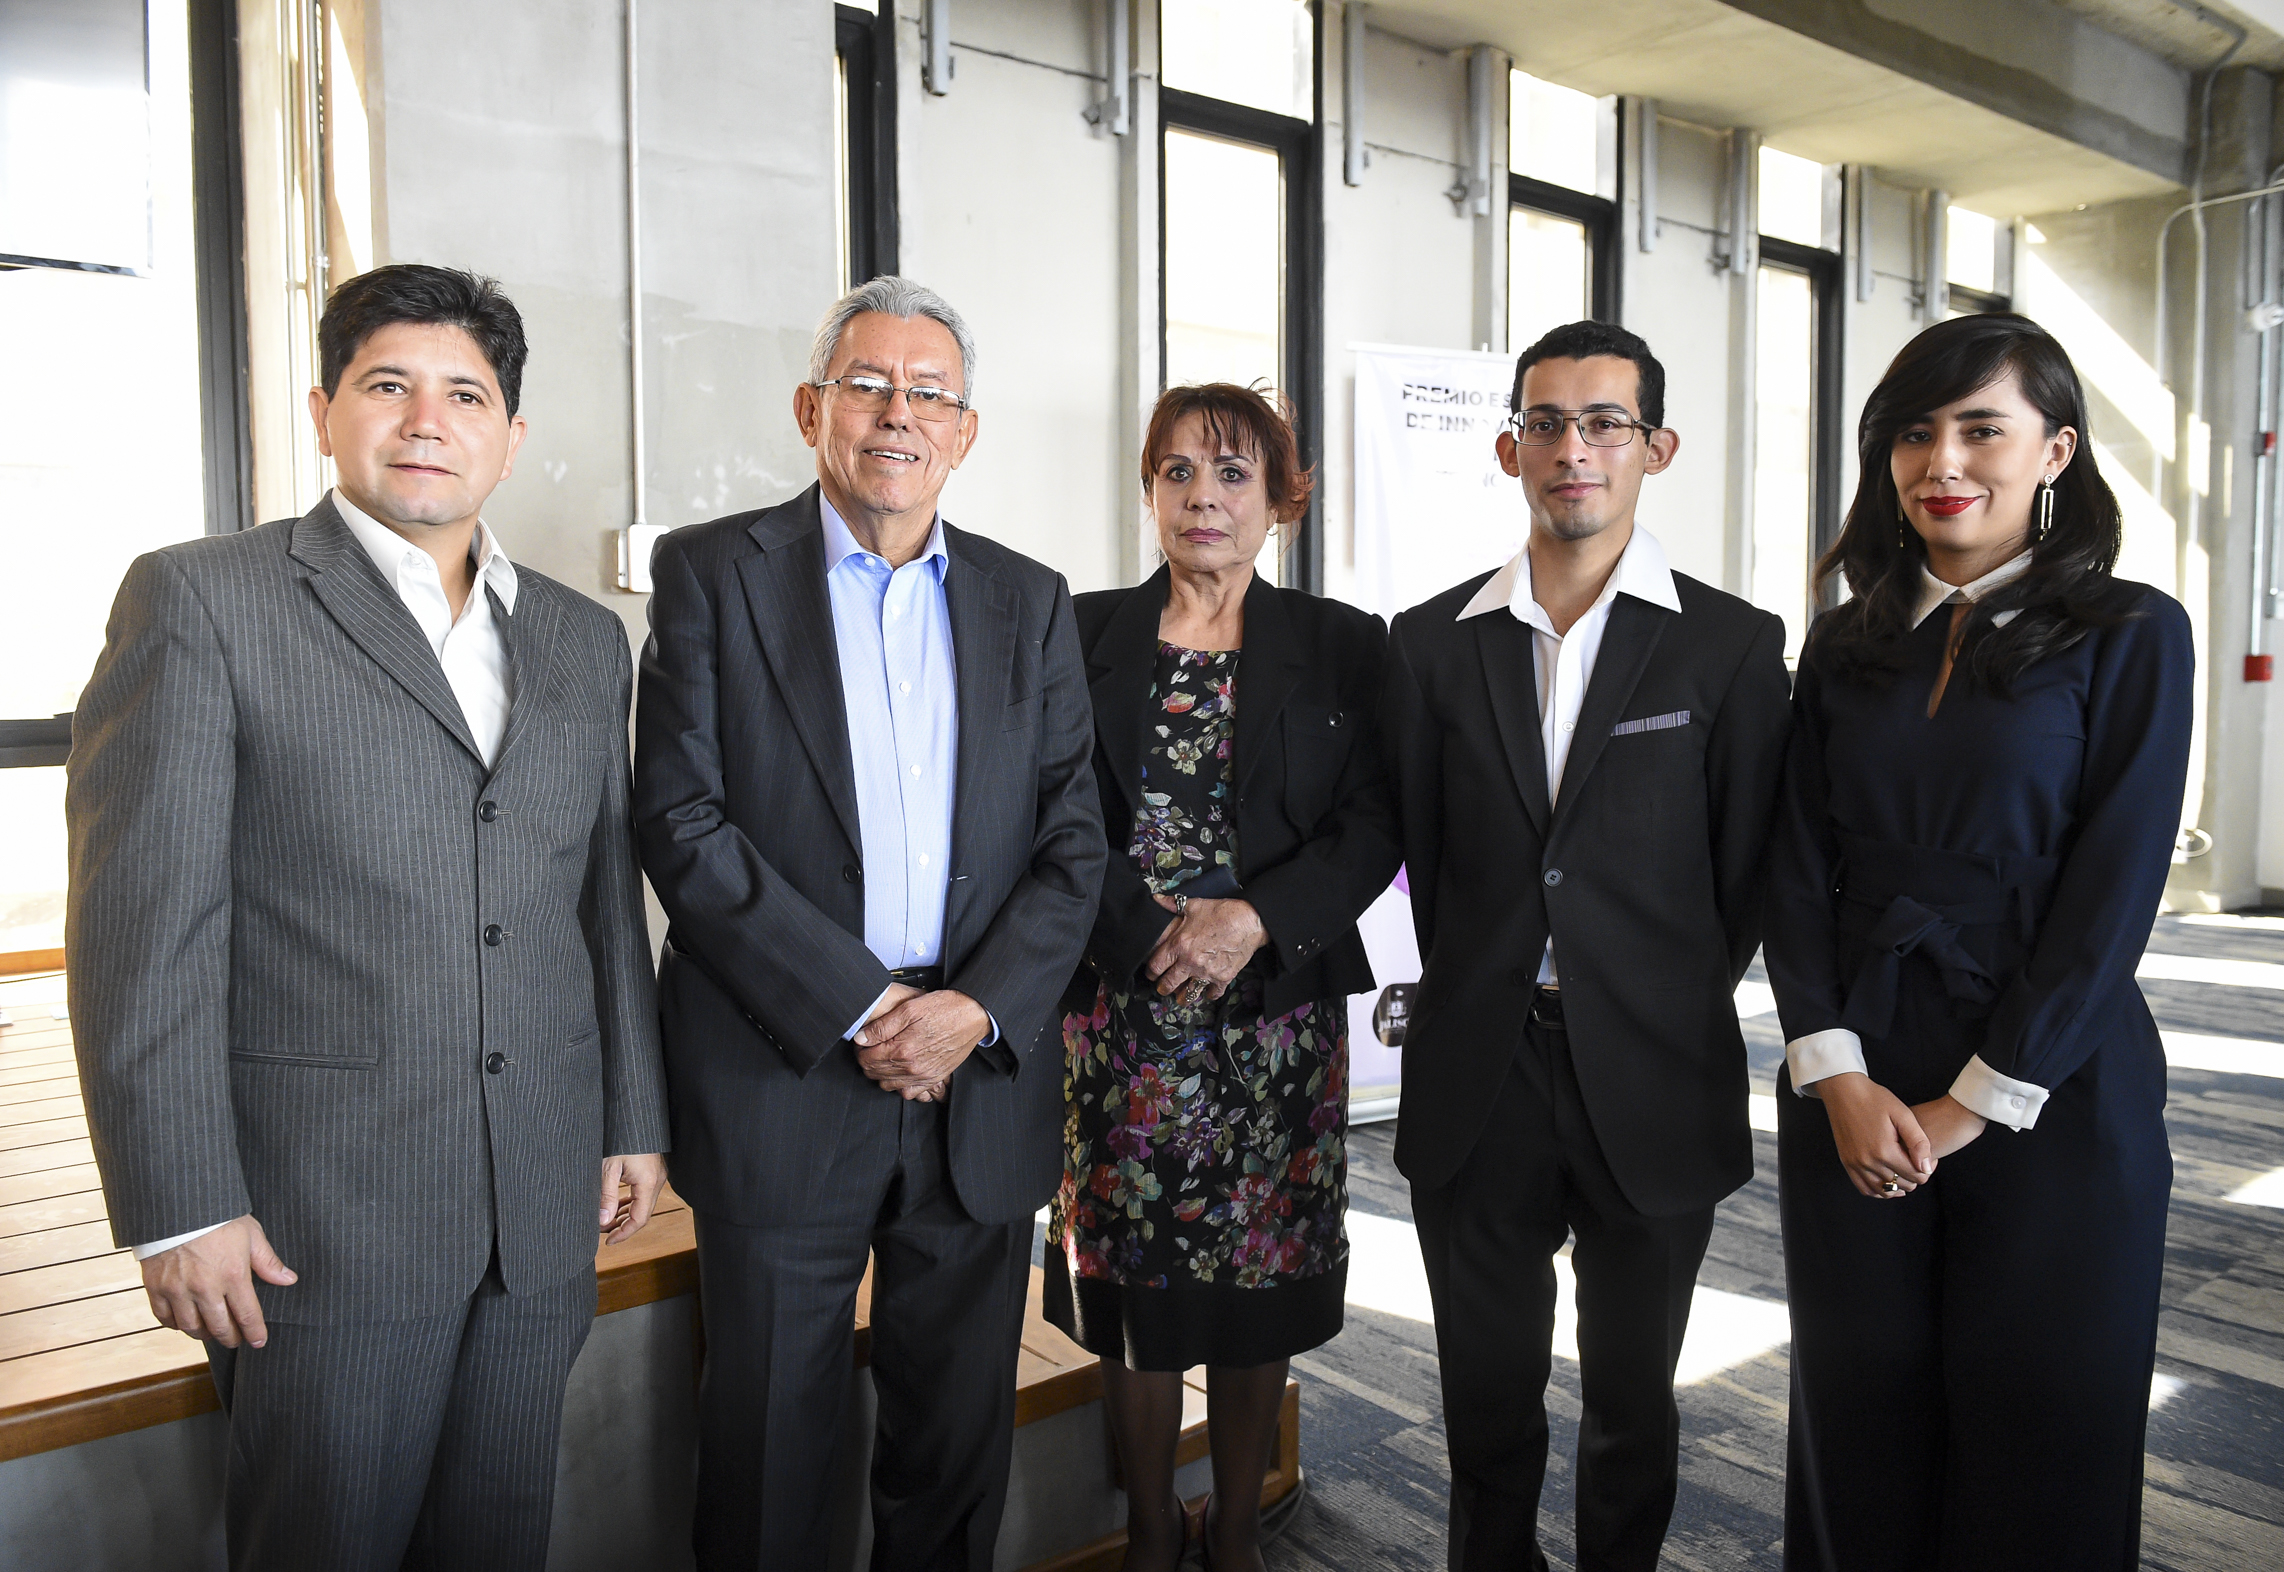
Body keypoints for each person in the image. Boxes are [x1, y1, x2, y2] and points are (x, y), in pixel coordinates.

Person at [65, 263, 669, 1571]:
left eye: (466, 394)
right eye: (388, 385)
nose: (425, 419)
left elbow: (598, 895)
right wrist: (178, 1205)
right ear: (325, 408)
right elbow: (142, 936)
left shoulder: (577, 638)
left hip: (539, 1202)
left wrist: (629, 1112)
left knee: (497, 1539)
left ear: (511, 437)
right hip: (318, 1217)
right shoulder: (202, 602)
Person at [633, 275, 1104, 1572]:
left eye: (929, 393)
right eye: (868, 385)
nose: (899, 414)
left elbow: (1075, 844)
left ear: (964, 430)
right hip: (780, 1070)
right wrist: (865, 1003)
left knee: (953, 1449)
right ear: (811, 409)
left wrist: (969, 1010)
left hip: (978, 1076)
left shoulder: (1029, 600)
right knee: (769, 1449)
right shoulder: (710, 575)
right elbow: (680, 823)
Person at [1762, 312, 2192, 1569]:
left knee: (2043, 1423)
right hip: (1856, 1074)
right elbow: (1792, 870)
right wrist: (1834, 1073)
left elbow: (2112, 897)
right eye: (1913, 432)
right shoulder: (1844, 641)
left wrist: (1972, 1105)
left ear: (2054, 451)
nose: (1941, 458)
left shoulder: (2130, 632)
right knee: (1860, 1416)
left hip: (2053, 1077)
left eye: (1978, 428)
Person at [1381, 321, 1792, 1571]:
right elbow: (1427, 859)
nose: (1574, 449)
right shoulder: (1429, 642)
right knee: (1485, 1406)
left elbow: (1743, 881)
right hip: (1482, 1076)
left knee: (1632, 1408)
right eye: (1547, 422)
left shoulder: (1730, 646)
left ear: (1654, 447)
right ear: (1509, 446)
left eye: (1604, 422)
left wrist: (1635, 992)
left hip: (1652, 1072)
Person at [1048, 383, 1398, 1572]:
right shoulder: (1079, 629)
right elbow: (1050, 814)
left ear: (1281, 498)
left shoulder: (1345, 640)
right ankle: (1152, 1525)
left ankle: (1237, 1524)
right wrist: (1147, 930)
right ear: (1148, 489)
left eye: (1234, 474)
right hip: (1119, 1014)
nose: (1205, 498)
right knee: (1131, 1289)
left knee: (1264, 1282)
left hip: (1274, 1017)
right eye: (1179, 472)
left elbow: (1372, 821)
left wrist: (1253, 921)